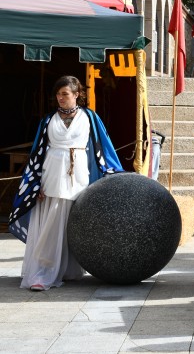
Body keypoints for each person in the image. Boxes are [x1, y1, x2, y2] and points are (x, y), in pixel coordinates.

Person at [9, 76, 122, 290]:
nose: (60, 98)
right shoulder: (48, 119)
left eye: (65, 94)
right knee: (50, 223)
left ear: (76, 94)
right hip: (51, 172)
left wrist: (114, 174)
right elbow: (37, 152)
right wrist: (34, 183)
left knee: (73, 221)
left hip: (78, 173)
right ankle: (42, 274)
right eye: (58, 94)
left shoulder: (90, 117)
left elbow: (103, 146)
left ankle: (69, 269)